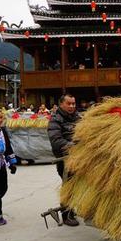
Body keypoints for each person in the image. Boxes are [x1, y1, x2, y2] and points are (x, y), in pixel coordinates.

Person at [47, 94, 81, 226]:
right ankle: (66, 215)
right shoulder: (55, 120)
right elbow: (56, 141)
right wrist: (73, 147)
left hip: (80, 158)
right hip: (65, 159)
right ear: (61, 104)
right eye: (69, 103)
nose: (72, 106)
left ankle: (73, 210)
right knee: (68, 186)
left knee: (78, 186)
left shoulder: (78, 117)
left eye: (73, 103)